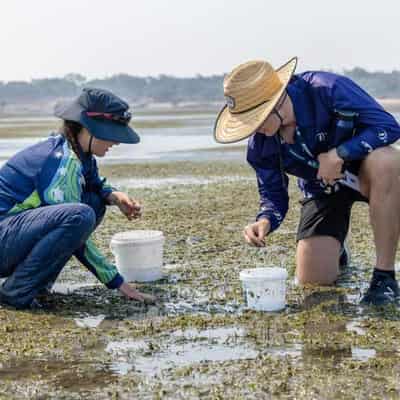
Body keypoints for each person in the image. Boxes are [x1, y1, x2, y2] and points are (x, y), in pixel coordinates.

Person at [214, 57, 400, 306]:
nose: (253, 130)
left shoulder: (327, 88)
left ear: (277, 102)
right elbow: (273, 196)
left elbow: (388, 127)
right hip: (322, 190)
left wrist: (339, 154)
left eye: (256, 121)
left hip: (369, 172)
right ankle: (338, 250)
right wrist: (265, 220)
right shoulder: (260, 146)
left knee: (387, 161)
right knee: (312, 282)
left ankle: (384, 277)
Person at [0, 88, 155, 309]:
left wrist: (114, 196)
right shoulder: (64, 163)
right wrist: (118, 283)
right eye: (110, 134)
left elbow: (93, 182)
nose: (116, 142)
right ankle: (16, 292)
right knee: (80, 215)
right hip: (4, 236)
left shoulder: (77, 152)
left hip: (11, 234)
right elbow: (76, 233)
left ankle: (37, 285)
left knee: (93, 201)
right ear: (87, 129)